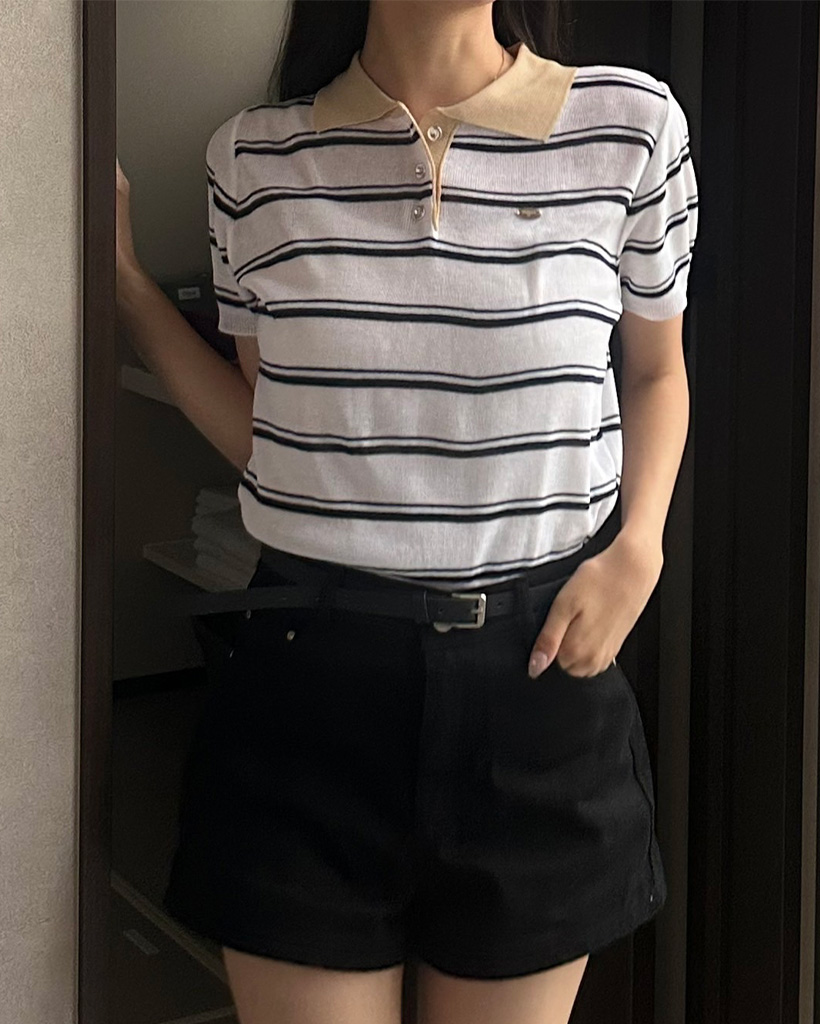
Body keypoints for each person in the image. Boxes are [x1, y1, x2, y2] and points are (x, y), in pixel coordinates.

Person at [116, 0, 698, 1021]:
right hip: (309, 680)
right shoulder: (252, 158)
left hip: (539, 679)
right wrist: (125, 286)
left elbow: (655, 371)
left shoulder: (630, 125)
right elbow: (274, 434)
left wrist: (639, 547)